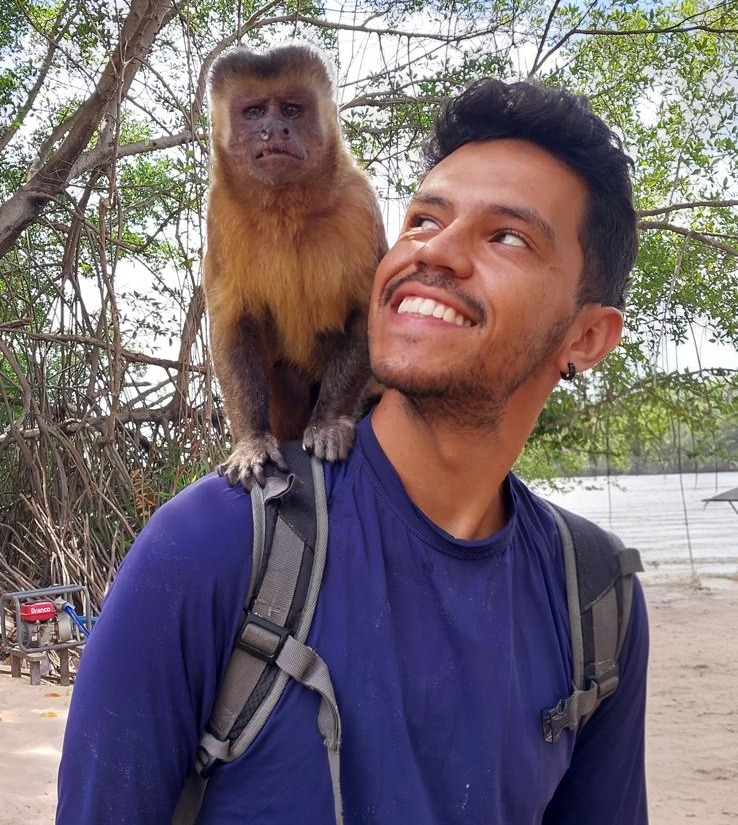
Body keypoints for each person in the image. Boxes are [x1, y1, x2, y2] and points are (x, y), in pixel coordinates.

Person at [57, 77, 647, 824]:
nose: (436, 253)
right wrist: (256, 436)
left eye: (506, 236)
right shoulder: (209, 548)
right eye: (424, 220)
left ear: (588, 337)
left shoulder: (596, 598)